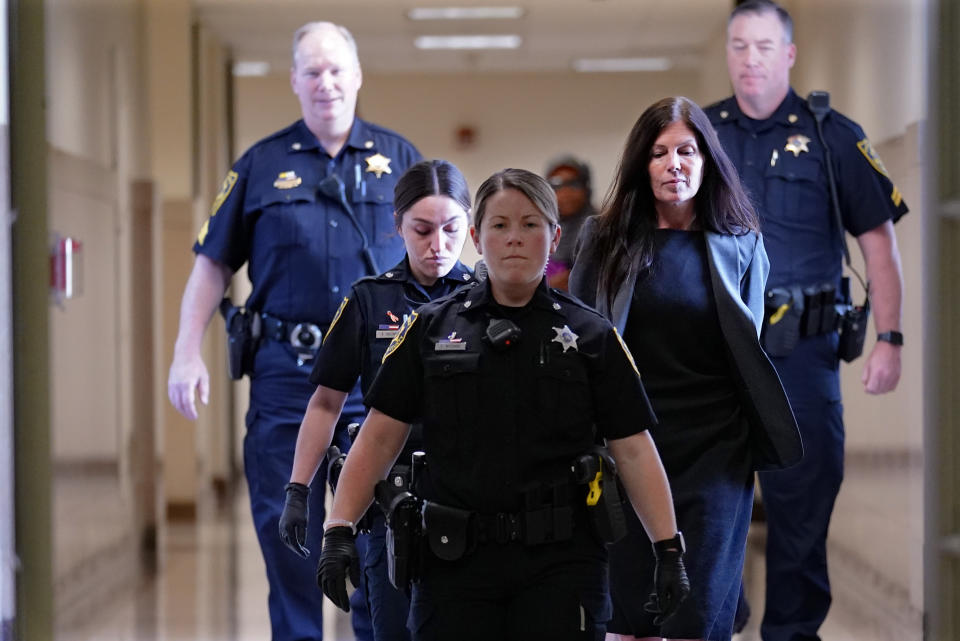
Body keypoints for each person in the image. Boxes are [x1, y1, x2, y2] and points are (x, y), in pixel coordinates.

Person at [315, 168, 691, 640]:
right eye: (500, 225)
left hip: (561, 562)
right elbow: (379, 435)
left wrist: (668, 549)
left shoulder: (592, 335)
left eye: (530, 224)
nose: (515, 238)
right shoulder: (430, 330)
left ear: (554, 237)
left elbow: (633, 447)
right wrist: (338, 528)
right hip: (454, 561)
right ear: (477, 236)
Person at [166, 21, 421, 641]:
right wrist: (185, 354)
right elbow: (211, 265)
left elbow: (439, 260)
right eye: (312, 71)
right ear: (294, 81)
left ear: (358, 76)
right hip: (290, 381)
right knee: (292, 545)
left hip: (381, 380)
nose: (326, 83)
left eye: (336, 69)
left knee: (382, 549)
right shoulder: (261, 164)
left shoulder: (402, 160)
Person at [703, 2, 908, 639]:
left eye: (764, 46)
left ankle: (792, 633)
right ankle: (716, 622)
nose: (750, 58)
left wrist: (890, 339)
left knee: (802, 508)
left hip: (804, 353)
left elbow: (878, 243)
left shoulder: (831, 135)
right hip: (715, 356)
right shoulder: (702, 135)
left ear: (789, 54)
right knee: (711, 502)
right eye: (739, 45)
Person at [570, 97, 801, 641]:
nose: (674, 163)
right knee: (632, 614)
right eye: (659, 153)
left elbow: (752, 347)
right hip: (631, 444)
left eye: (686, 151)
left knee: (697, 615)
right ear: (640, 165)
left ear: (706, 160)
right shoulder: (605, 241)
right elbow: (581, 342)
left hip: (717, 449)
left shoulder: (741, 243)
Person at [278, 159, 475, 641]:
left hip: (469, 496)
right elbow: (326, 402)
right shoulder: (370, 300)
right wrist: (299, 490)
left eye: (452, 229)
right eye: (422, 230)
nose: (438, 246)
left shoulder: (485, 298)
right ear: (398, 226)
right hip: (390, 496)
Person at [545, 156, 596, 291]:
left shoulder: (603, 229)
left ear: (586, 189)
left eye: (573, 184)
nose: (565, 192)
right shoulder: (539, 230)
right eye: (556, 185)